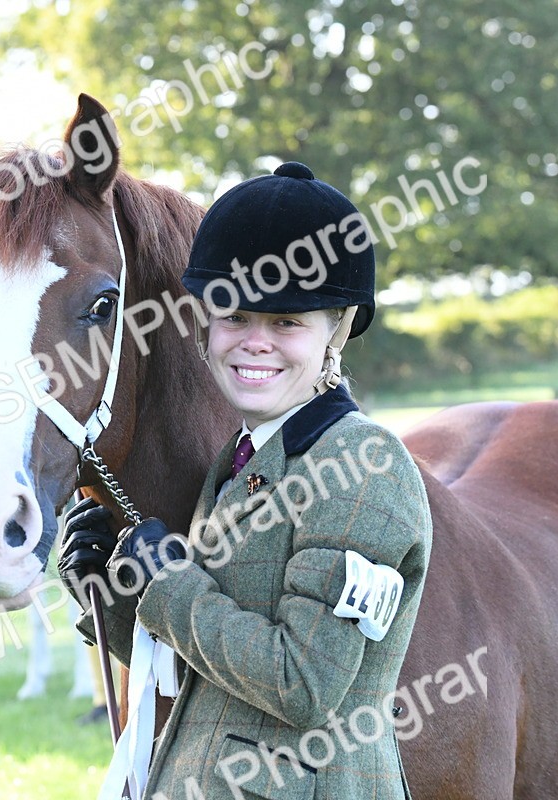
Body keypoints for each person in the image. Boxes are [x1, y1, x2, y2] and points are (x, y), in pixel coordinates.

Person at [58, 162, 433, 799]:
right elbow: (202, 677)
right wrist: (110, 596)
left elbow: (302, 684)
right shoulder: (241, 460)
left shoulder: (362, 468)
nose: (254, 343)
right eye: (234, 318)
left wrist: (168, 584)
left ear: (334, 331)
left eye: (287, 323)